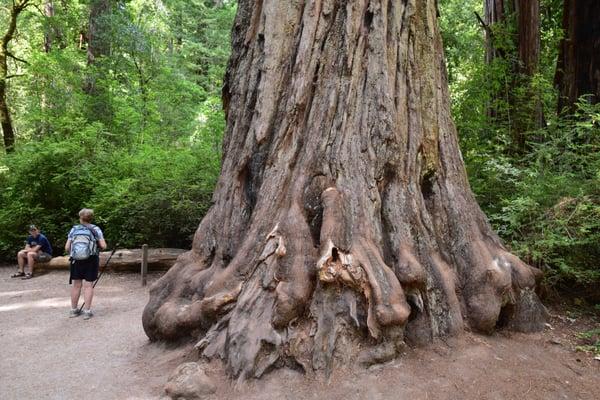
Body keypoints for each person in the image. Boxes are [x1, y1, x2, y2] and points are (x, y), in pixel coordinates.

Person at [65, 208, 106, 320]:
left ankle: (73, 310)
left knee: (76, 285)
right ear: (91, 218)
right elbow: (103, 246)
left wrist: (74, 254)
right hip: (91, 259)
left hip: (76, 260)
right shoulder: (95, 229)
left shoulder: (74, 229)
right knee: (88, 285)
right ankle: (87, 311)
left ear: (80, 218)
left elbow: (67, 247)